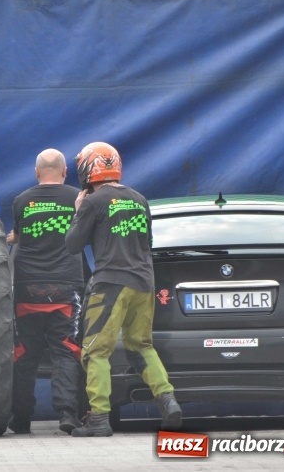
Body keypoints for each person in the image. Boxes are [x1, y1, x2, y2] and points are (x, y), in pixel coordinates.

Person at [64, 141, 182, 437]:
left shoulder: (93, 201)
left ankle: (99, 420)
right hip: (144, 282)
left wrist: (79, 210)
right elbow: (147, 243)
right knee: (141, 346)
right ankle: (167, 400)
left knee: (95, 351)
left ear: (87, 168)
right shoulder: (139, 199)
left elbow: (72, 245)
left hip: (110, 284)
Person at [5, 149, 85, 435]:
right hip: (65, 288)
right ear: (64, 172)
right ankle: (67, 415)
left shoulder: (21, 201)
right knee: (65, 350)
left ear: (37, 173)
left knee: (25, 353)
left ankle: (21, 419)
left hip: (28, 288)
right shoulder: (78, 199)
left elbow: (20, 235)